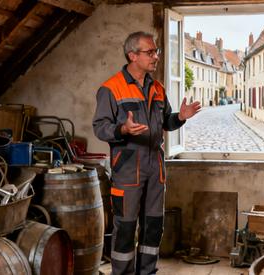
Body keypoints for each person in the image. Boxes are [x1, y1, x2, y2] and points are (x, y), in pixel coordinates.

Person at [93, 31, 201, 275]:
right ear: (133, 55)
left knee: (153, 227)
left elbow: (166, 122)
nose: (156, 57)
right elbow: (100, 127)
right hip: (128, 167)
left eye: (156, 51)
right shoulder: (111, 89)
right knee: (126, 228)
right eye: (150, 52)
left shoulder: (158, 88)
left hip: (155, 168)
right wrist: (123, 129)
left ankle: (147, 273)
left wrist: (180, 118)